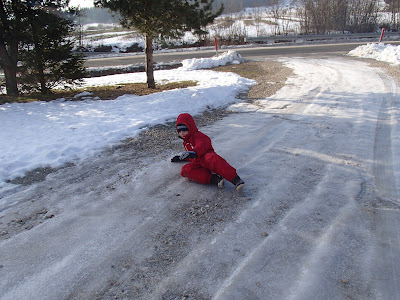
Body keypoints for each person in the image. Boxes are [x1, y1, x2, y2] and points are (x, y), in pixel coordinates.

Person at [171, 113, 245, 191]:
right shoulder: (186, 142)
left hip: (206, 158)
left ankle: (236, 180)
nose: (182, 133)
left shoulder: (199, 136)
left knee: (212, 159)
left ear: (190, 128)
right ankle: (215, 179)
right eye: (179, 131)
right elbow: (192, 156)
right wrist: (183, 158)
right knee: (186, 170)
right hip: (198, 162)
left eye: (184, 130)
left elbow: (202, 145)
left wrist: (194, 152)